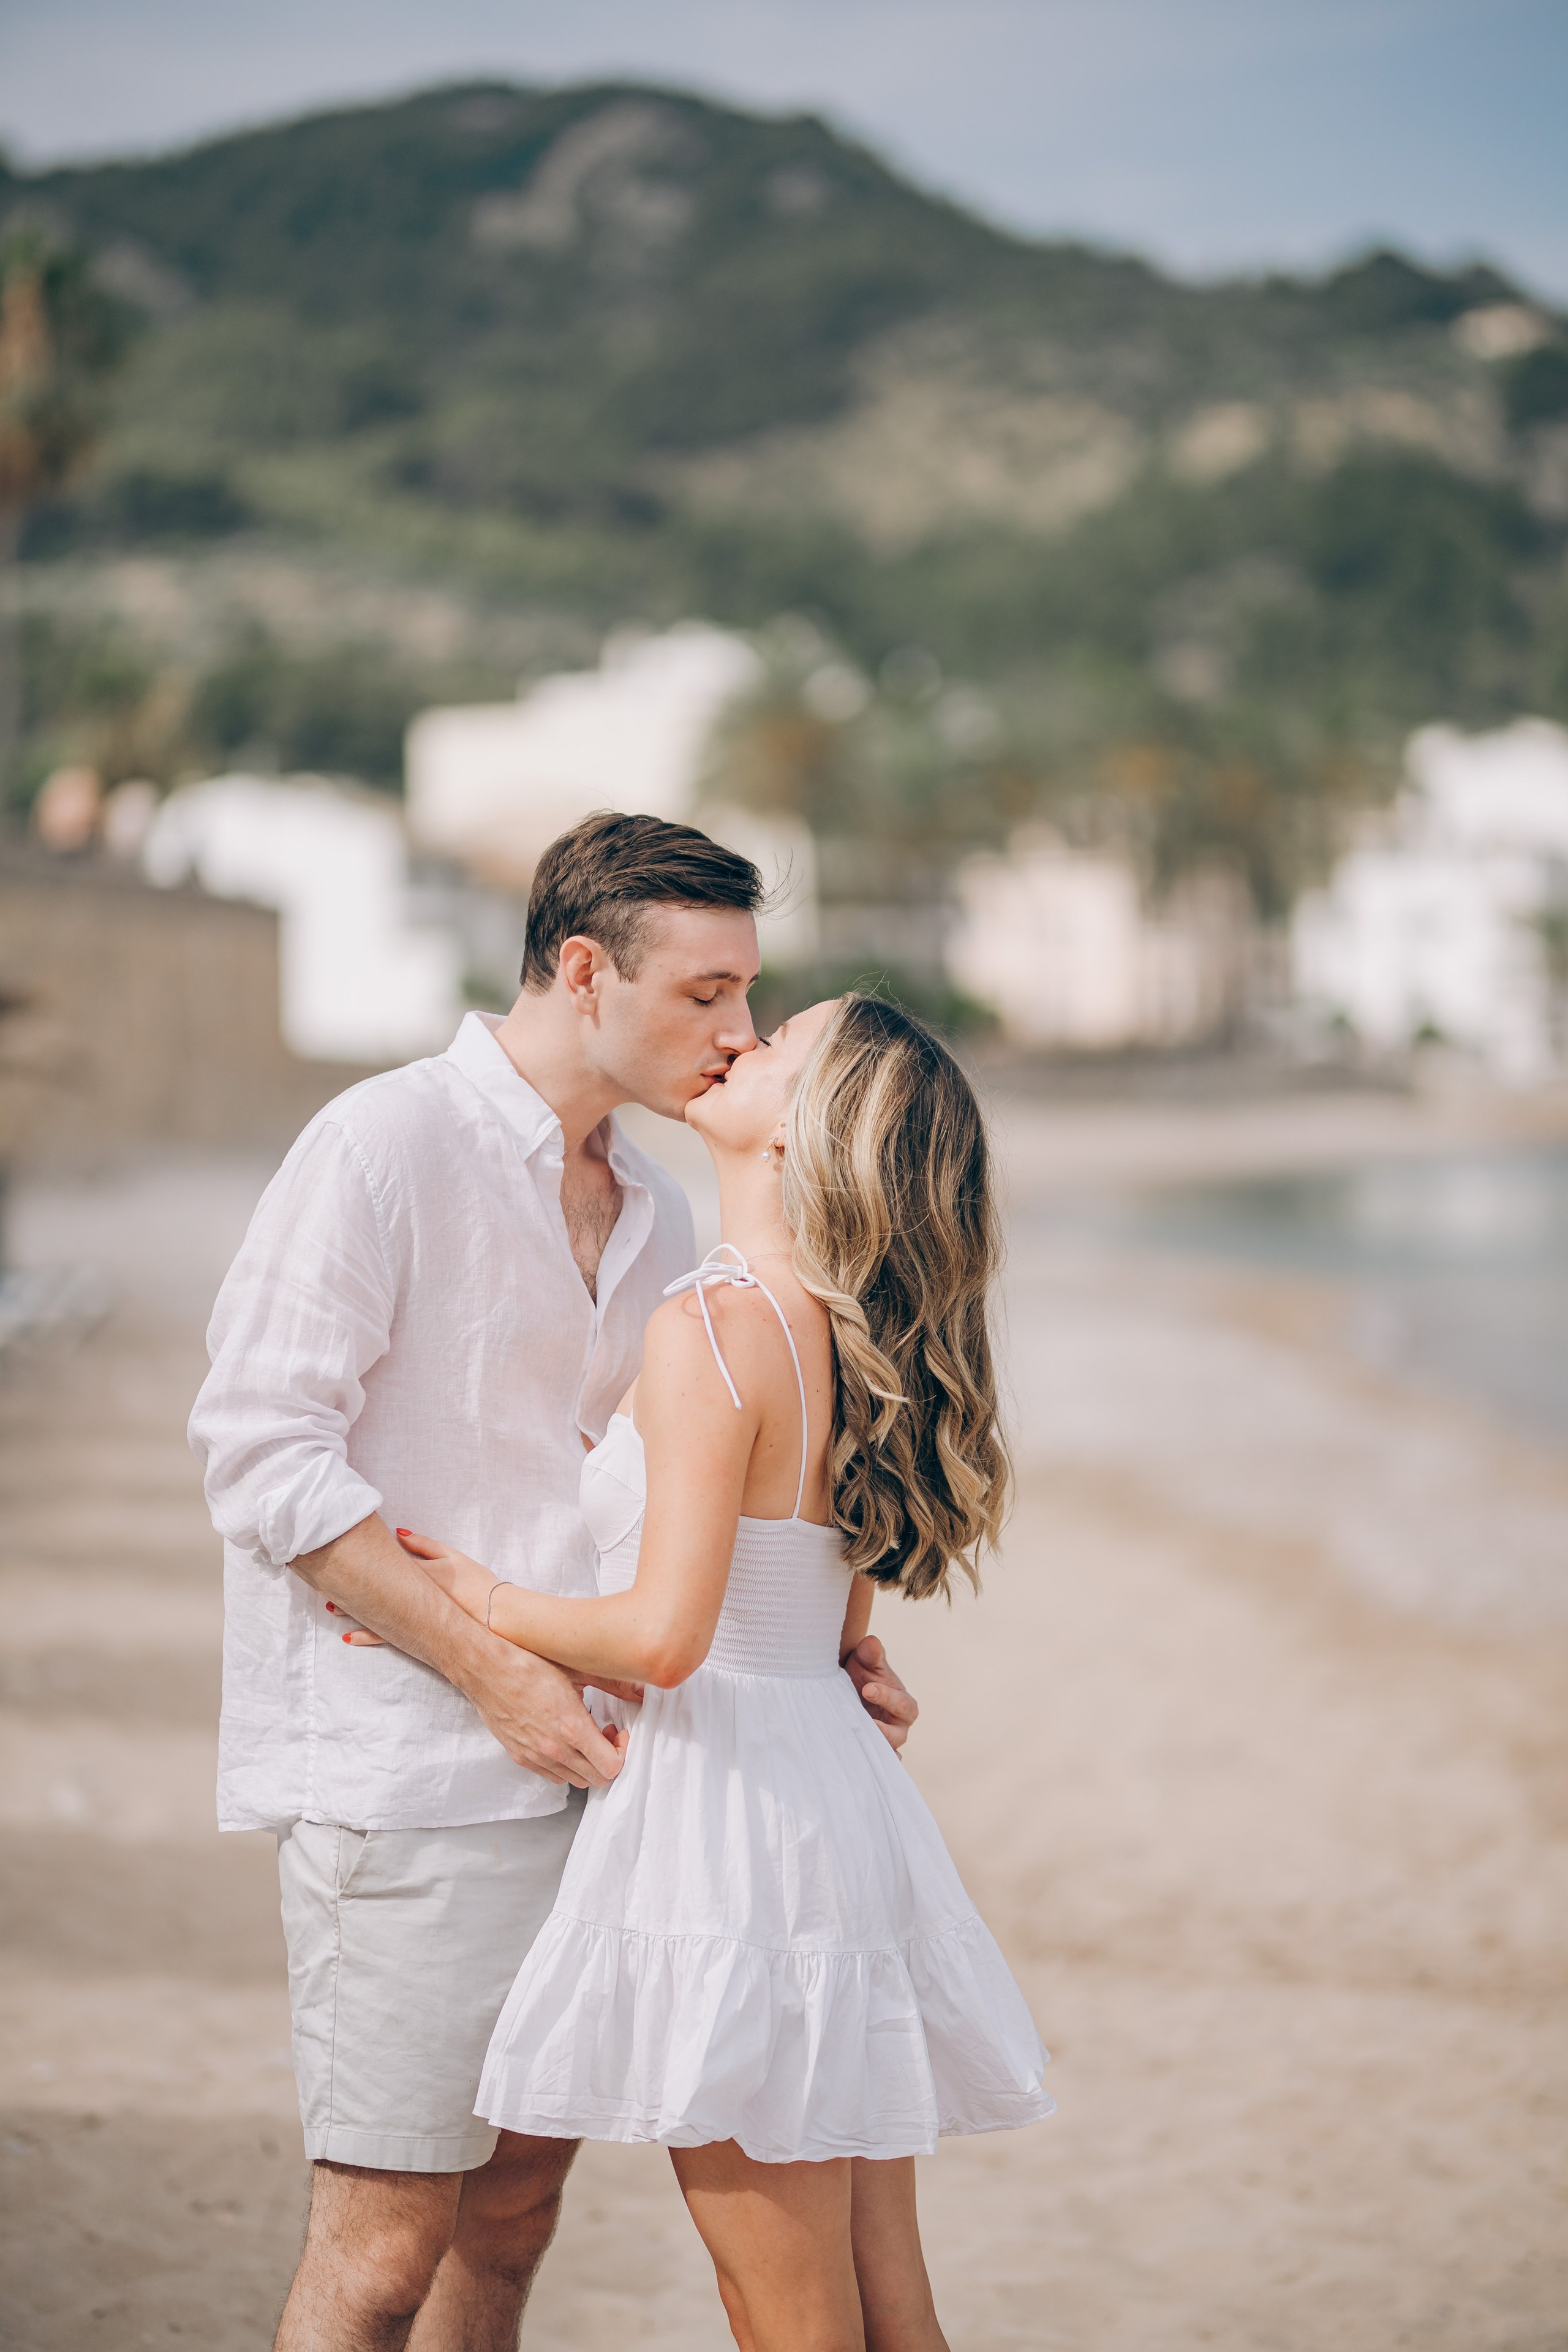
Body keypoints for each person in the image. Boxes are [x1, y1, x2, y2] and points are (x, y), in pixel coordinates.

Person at [188, 814, 919, 2352]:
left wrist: (812, 1646)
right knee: (383, 2249)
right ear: (584, 970)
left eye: (747, 999)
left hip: (613, 1784)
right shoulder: (381, 1145)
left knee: (512, 2230)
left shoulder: (659, 1208)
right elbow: (261, 1457)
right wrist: (492, 1668)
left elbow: (667, 1502)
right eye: (704, 993)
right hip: (412, 1783)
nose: (732, 1035)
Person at [377, 992, 1055, 2352]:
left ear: (813, 1135)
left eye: (775, 1046)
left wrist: (475, 1595)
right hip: (839, 1803)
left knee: (785, 2310)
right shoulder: (856, 1344)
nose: (738, 1043)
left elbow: (665, 1637)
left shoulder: (712, 1328)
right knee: (885, 2304)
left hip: (734, 1824)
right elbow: (836, 1622)